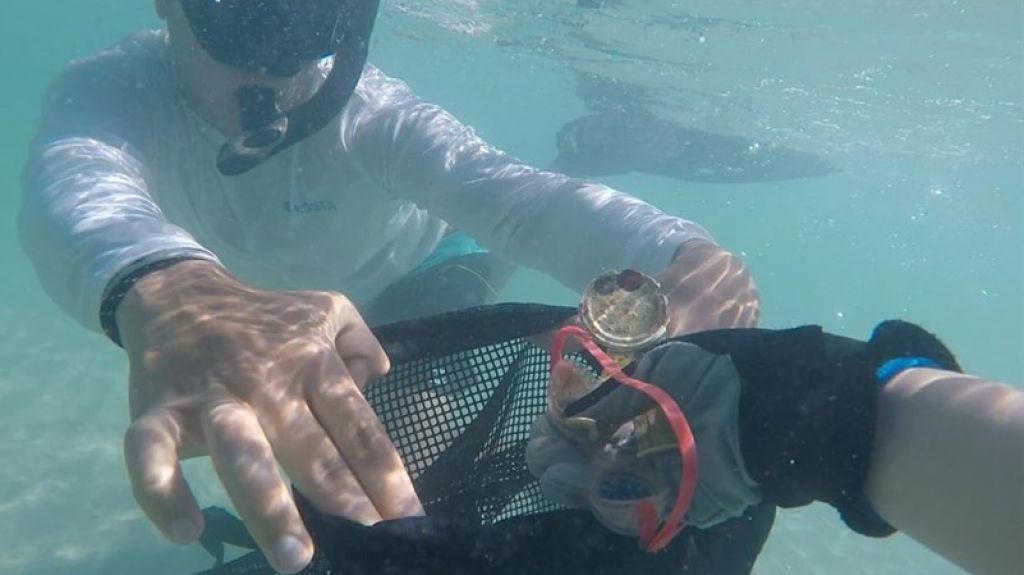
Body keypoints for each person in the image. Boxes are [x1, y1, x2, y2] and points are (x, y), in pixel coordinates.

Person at [18, 1, 758, 573]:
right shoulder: (112, 92)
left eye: (313, 12)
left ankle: (602, 147)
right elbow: (73, 181)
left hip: (422, 276)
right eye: (239, 7)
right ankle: (595, 144)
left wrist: (681, 253)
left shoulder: (373, 117)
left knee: (393, 479)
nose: (275, 63)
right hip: (277, 312)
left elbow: (512, 196)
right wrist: (166, 285)